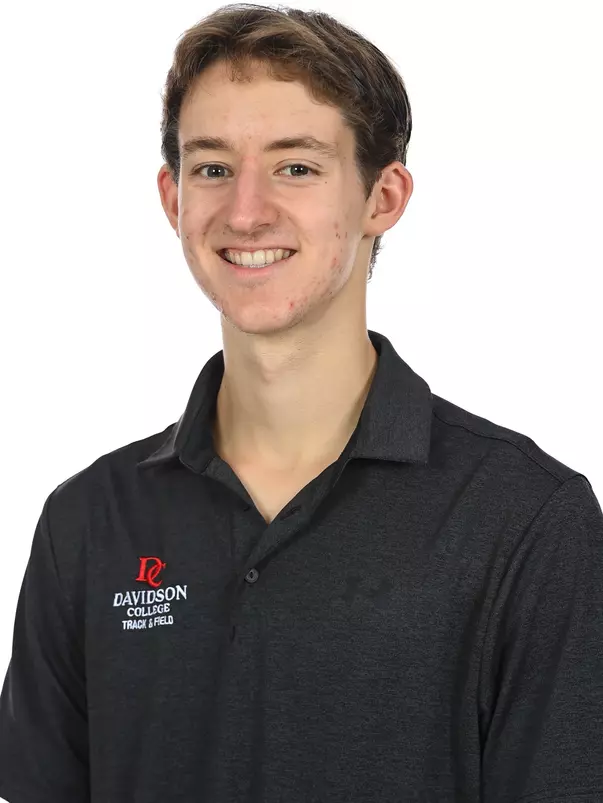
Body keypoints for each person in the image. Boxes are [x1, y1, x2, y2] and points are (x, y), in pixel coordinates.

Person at [1, 4, 602, 802]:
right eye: (212, 167)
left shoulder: (526, 519)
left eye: (296, 166)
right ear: (171, 196)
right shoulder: (87, 521)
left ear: (382, 197)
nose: (244, 211)